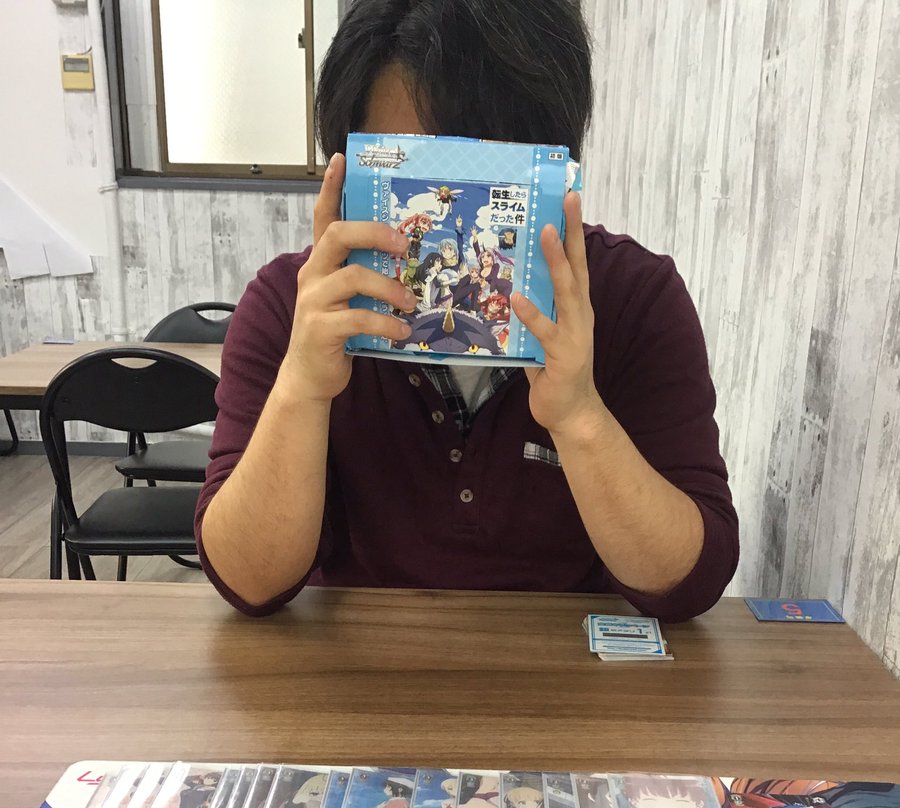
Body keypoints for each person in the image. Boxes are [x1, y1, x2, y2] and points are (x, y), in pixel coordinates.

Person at [196, 0, 738, 619]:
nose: (444, 208)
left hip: (566, 667)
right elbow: (248, 581)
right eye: (404, 167)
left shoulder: (635, 298)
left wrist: (579, 416)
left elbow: (690, 580)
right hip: (356, 664)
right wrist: (301, 388)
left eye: (485, 171)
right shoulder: (288, 306)